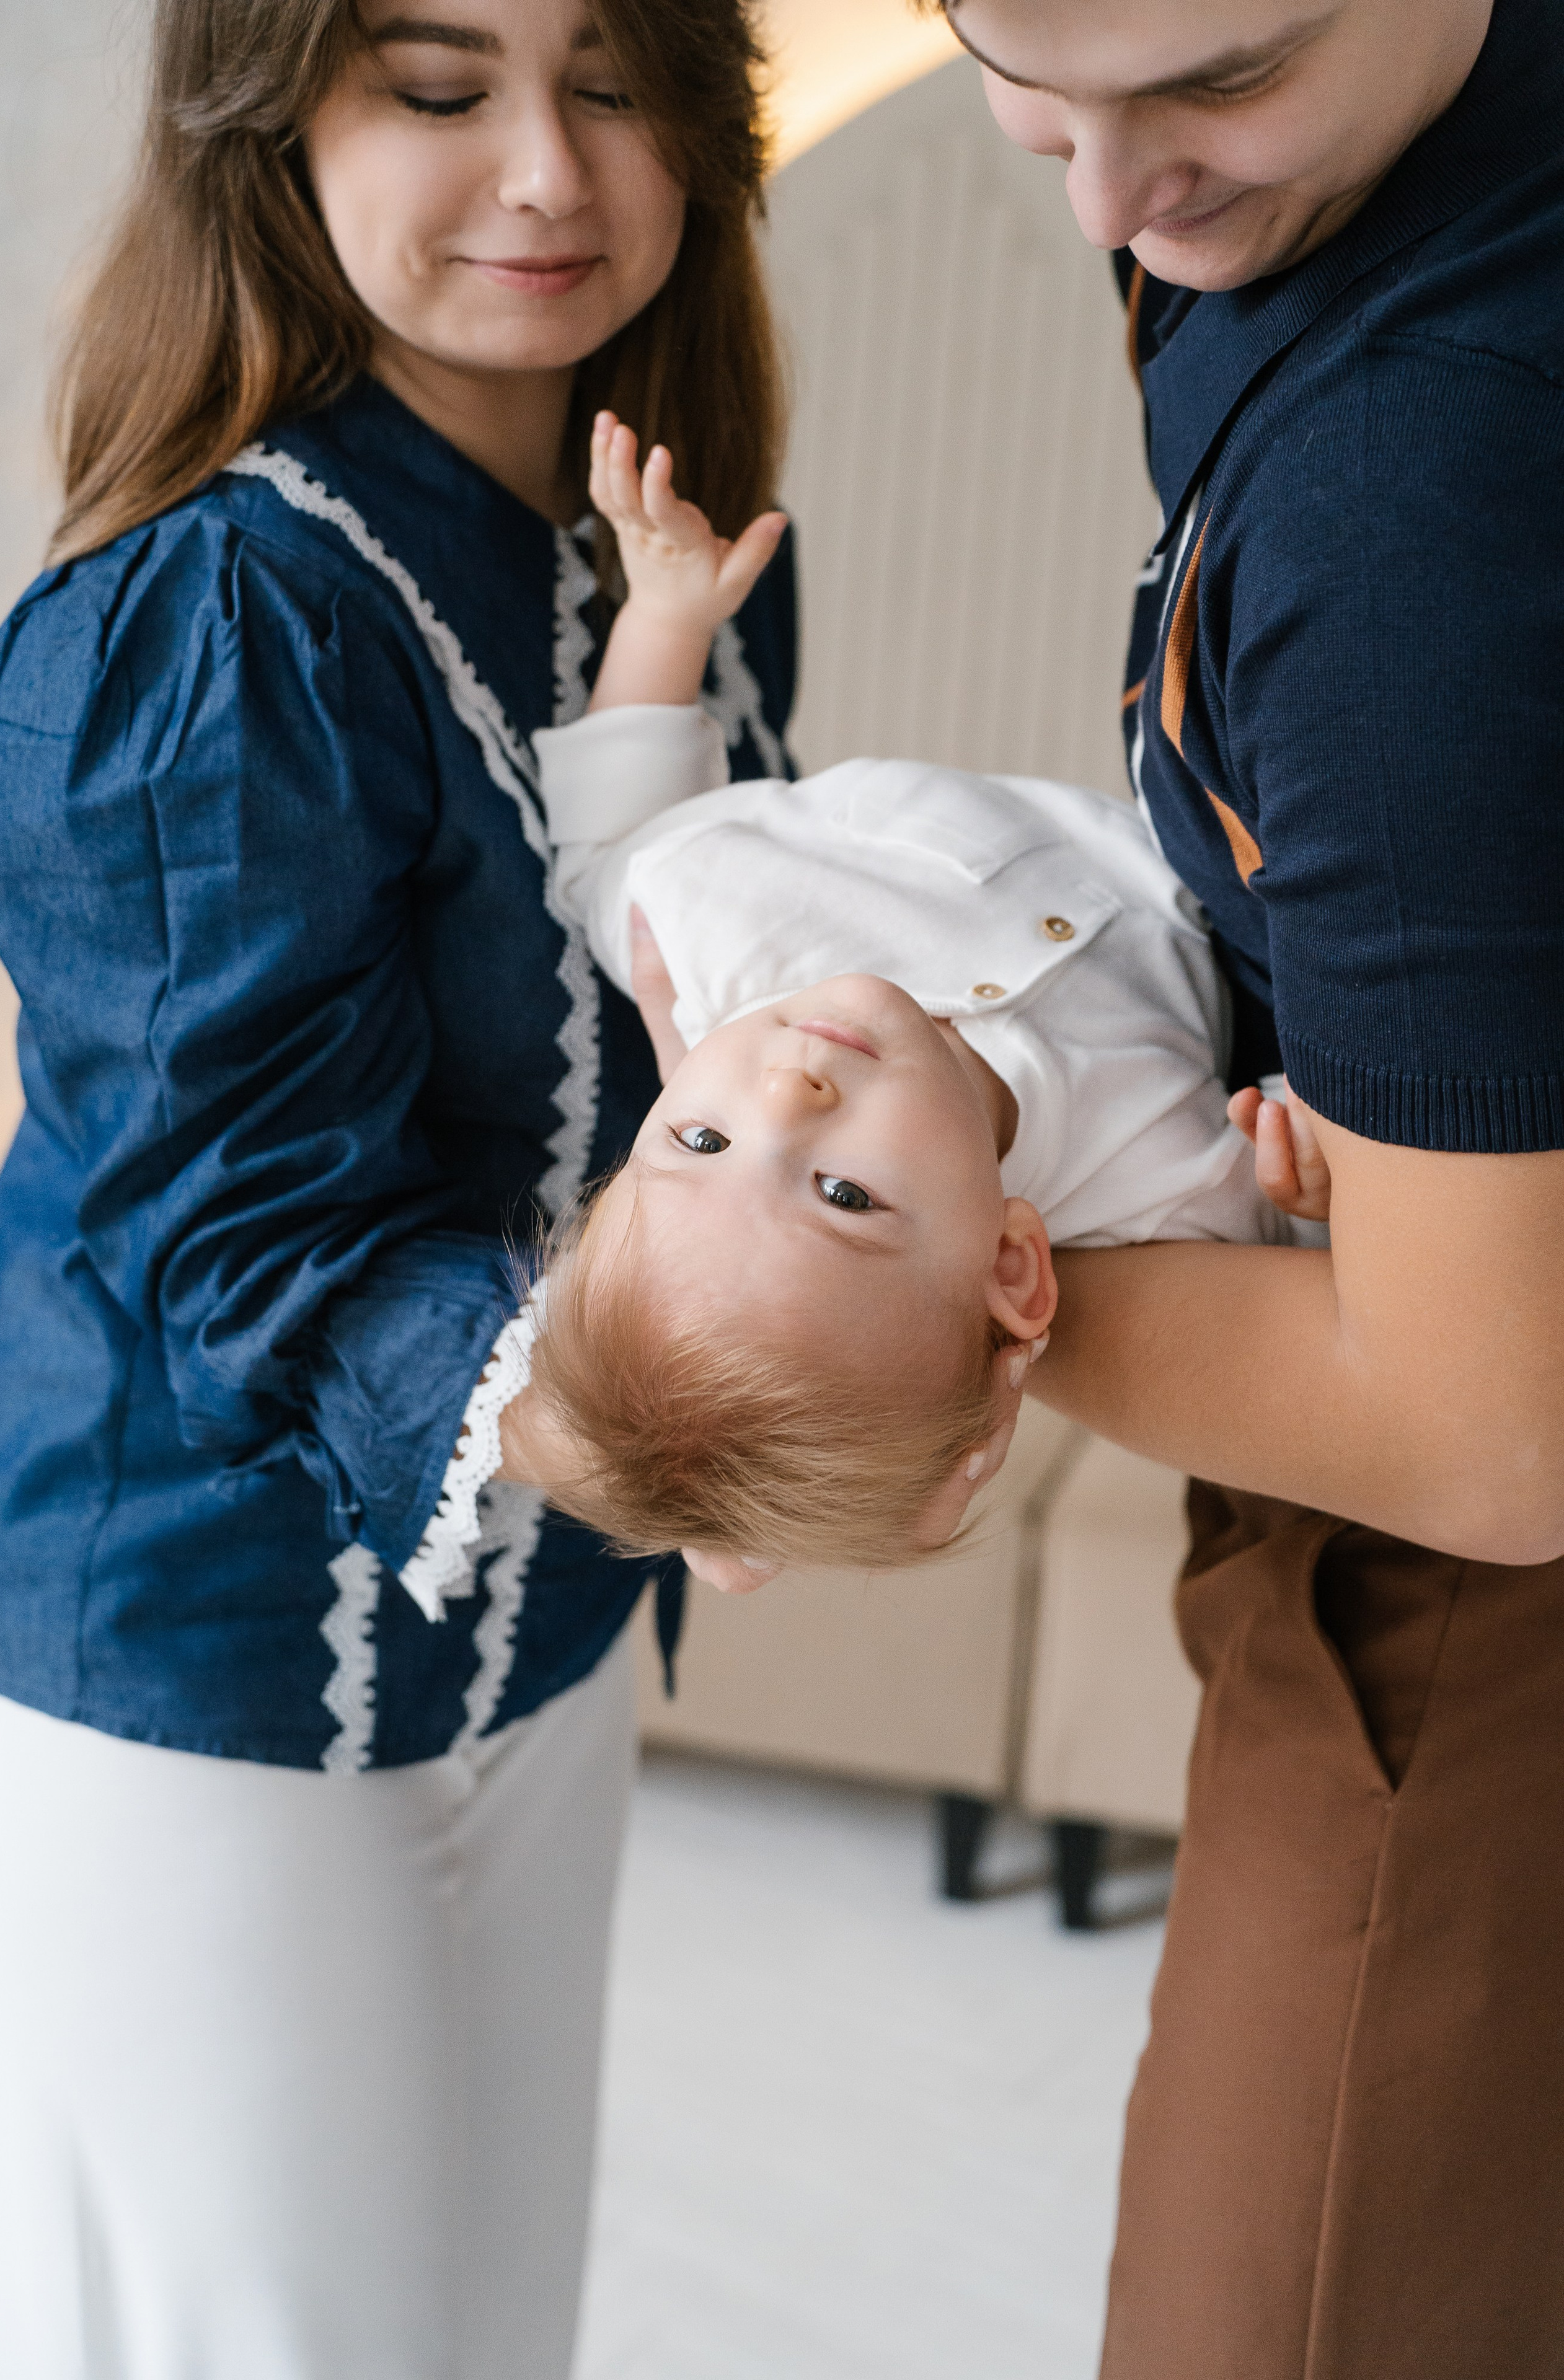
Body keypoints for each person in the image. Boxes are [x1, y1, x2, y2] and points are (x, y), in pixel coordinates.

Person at [0, 1, 793, 2373]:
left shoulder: (673, 545)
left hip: (546, 1607)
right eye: (438, 92)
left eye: (613, 83)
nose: (547, 174)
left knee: (480, 2327)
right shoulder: (206, 614)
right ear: (268, 126)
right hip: (199, 1639)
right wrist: (602, 1410)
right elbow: (247, 1231)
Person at [929, 0, 1564, 2373]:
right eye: (1021, 70)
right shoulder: (1315, 198)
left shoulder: (1418, 490)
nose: (1104, 196)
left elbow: (1491, 1435)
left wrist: (886, 1261)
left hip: (1466, 1607)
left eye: (1216, 80)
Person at [488, 411, 1303, 1578]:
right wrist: (1311, 1160)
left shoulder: (713, 933)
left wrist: (666, 614)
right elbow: (1320, 1247)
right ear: (1013, 1267)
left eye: (702, 1136)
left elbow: (608, 838)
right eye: (843, 1193)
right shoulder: (1157, 1189)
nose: (791, 1090)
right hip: (1247, 851)